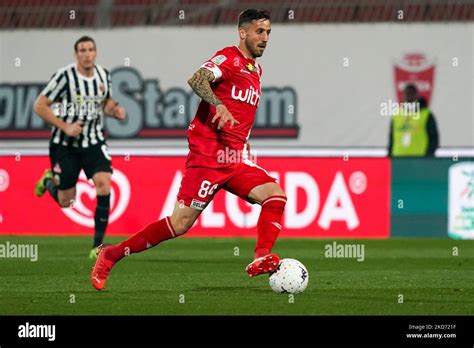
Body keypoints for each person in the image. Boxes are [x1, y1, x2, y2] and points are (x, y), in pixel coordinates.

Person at [91, 9, 286, 290]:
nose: (265, 38)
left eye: (268, 32)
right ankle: (110, 255)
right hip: (207, 158)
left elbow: (242, 111)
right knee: (179, 224)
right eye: (259, 31)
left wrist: (244, 140)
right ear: (242, 32)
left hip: (233, 157)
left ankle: (261, 257)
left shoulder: (256, 70)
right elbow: (196, 79)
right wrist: (218, 105)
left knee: (275, 196)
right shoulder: (229, 57)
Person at [33, 36, 126, 258]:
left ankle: (97, 246)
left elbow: (104, 102)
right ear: (76, 55)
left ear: (96, 53)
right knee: (67, 201)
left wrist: (115, 110)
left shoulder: (104, 75)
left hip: (93, 141)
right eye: (82, 50)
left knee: (104, 185)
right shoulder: (65, 76)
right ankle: (48, 181)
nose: (87, 54)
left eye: (91, 49)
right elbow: (40, 105)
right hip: (65, 145)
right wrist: (64, 126)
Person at [388, 84, 439, 157]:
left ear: (416, 95)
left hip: (419, 159)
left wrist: (428, 156)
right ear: (403, 96)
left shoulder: (426, 115)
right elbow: (391, 139)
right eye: (406, 93)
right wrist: (389, 155)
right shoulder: (397, 115)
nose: (408, 96)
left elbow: (434, 139)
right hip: (398, 159)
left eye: (411, 93)